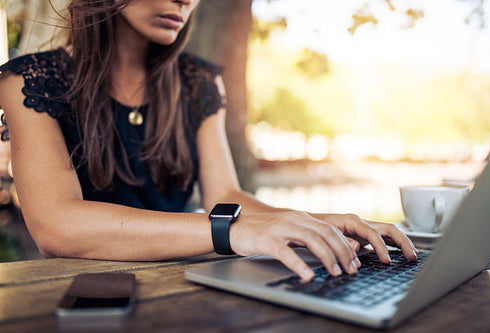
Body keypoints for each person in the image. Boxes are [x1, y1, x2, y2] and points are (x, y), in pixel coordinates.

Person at [0, 0, 417, 281]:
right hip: (81, 295)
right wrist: (231, 232)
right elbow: (57, 225)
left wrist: (313, 223)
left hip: (181, 282)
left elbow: (226, 195)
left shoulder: (199, 81)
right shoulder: (30, 80)